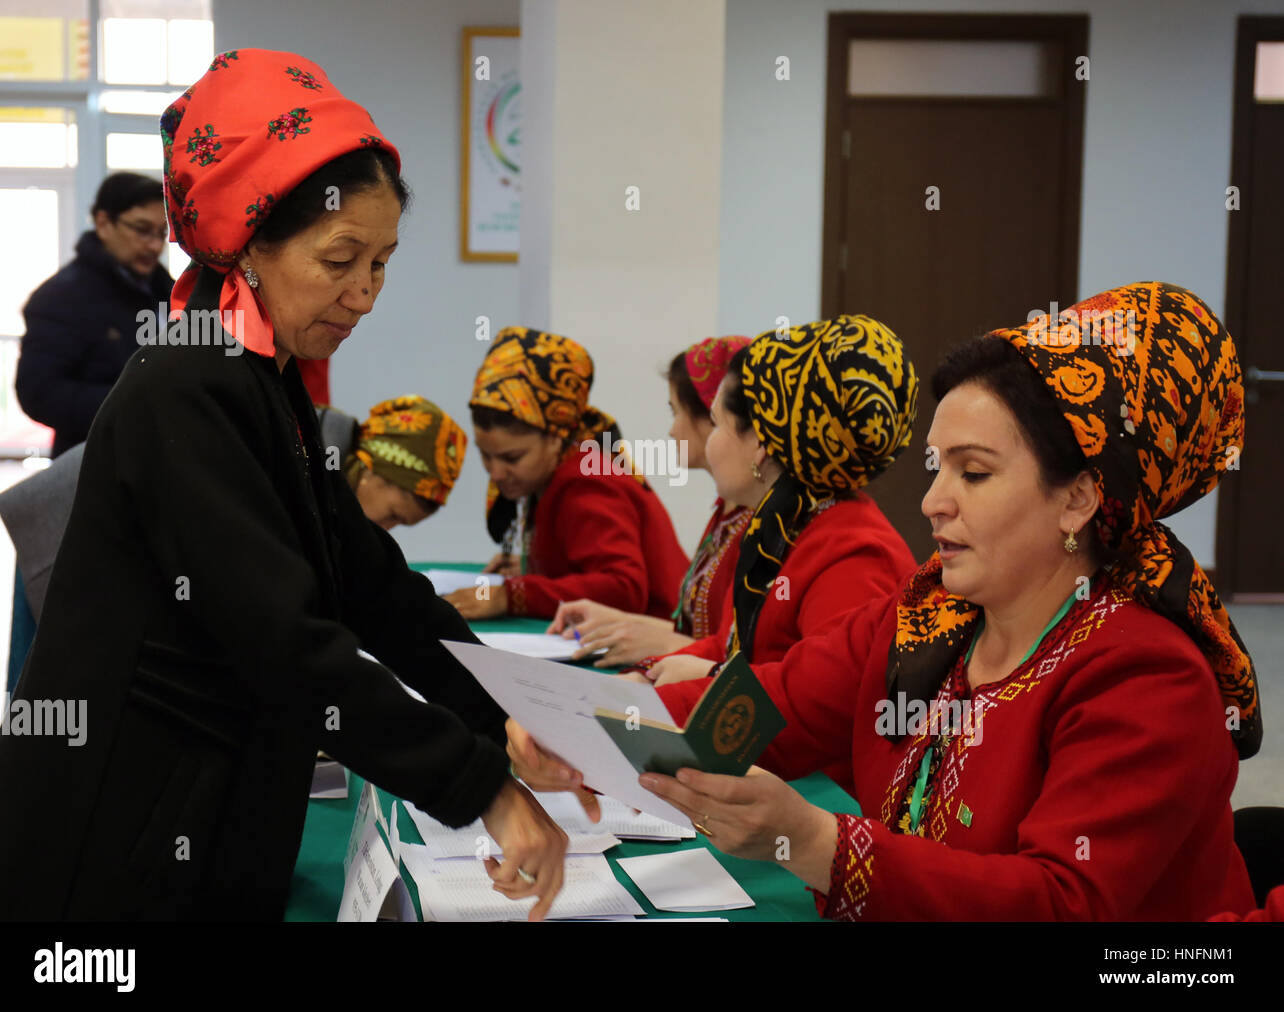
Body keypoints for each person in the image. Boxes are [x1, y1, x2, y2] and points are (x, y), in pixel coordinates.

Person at [0, 49, 566, 921]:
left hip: (201, 816)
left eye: (383, 262)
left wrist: (505, 711)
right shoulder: (186, 384)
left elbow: (368, 580)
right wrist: (481, 783)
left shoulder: (262, 372)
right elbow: (284, 640)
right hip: (112, 841)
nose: (365, 293)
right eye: (340, 260)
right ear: (252, 242)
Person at [510, 282, 1261, 920]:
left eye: (974, 473)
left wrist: (819, 844)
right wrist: (584, 731)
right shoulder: (930, 616)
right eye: (939, 469)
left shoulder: (1146, 677)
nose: (933, 503)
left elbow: (1059, 902)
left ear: (1078, 498)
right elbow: (769, 706)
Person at [627, 316, 918, 689]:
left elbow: (826, 697)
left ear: (761, 444)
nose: (709, 442)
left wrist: (709, 681)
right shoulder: (780, 524)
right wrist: (645, 675)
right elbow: (729, 647)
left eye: (716, 424)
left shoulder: (854, 553)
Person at [444, 326, 690, 621]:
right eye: (486, 455)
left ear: (555, 439)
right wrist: (532, 566)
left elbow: (623, 587)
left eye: (512, 457)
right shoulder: (560, 469)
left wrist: (513, 595)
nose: (495, 472)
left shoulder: (587, 481)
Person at [546, 335, 754, 667]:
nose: (671, 431)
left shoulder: (761, 520)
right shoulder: (728, 510)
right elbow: (708, 635)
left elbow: (744, 656)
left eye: (676, 412)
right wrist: (619, 623)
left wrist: (665, 641)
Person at [15, 172, 174, 458]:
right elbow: (39, 393)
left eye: (162, 233)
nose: (154, 245)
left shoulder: (166, 290)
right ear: (103, 223)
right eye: (142, 229)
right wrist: (138, 406)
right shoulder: (61, 298)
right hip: (94, 466)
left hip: (158, 459)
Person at [319, 395, 468, 530]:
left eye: (397, 524)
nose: (385, 529)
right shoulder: (301, 469)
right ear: (374, 470)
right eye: (393, 515)